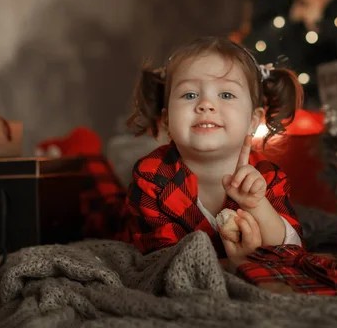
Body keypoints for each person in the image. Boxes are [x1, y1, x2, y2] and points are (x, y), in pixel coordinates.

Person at [124, 36, 304, 261]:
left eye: (226, 94)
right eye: (190, 95)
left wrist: (257, 206)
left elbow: (292, 250)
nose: (206, 104)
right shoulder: (151, 177)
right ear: (167, 119)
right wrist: (231, 266)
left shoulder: (268, 178)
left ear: (253, 120)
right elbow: (159, 262)